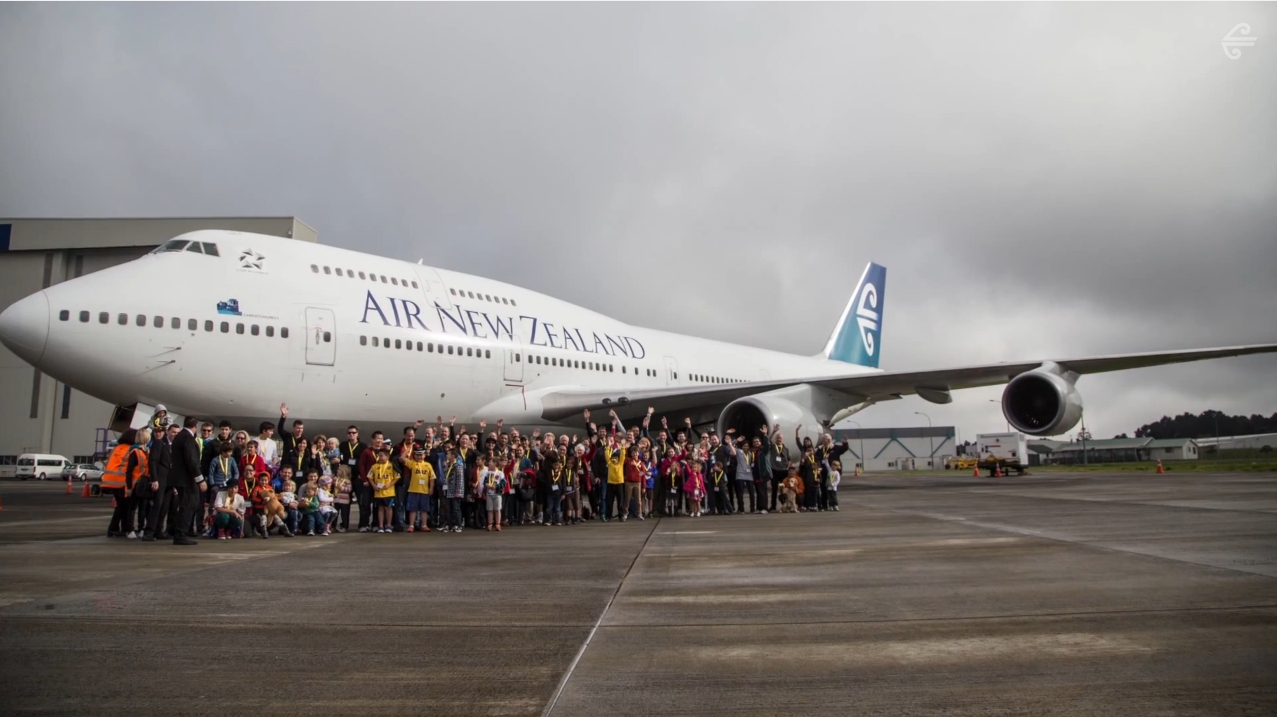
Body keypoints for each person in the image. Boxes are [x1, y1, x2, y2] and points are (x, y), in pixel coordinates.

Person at [102, 428, 150, 538]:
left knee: (122, 506)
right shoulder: (131, 449)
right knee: (124, 507)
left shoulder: (117, 448)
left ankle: (121, 528)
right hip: (121, 481)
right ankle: (114, 528)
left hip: (110, 480)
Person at [166, 416, 206, 545]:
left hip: (178, 478)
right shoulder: (188, 438)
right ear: (195, 426)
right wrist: (200, 479)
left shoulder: (180, 436)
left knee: (185, 504)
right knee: (190, 504)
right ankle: (180, 534)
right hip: (186, 479)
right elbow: (192, 461)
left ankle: (176, 530)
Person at [141, 424, 174, 540]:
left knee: (164, 507)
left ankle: (159, 530)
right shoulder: (159, 443)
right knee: (157, 505)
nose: (175, 434)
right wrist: (154, 479)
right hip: (160, 479)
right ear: (168, 432)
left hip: (170, 481)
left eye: (177, 432)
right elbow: (153, 462)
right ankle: (149, 532)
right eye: (173, 432)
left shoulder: (175, 446)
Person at [403, 446, 436, 533]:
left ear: (425, 455)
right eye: (417, 455)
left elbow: (432, 478)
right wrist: (409, 448)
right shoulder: (412, 463)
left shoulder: (428, 465)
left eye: (421, 455)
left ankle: (424, 525)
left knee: (424, 509)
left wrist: (431, 488)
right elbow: (402, 458)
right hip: (413, 490)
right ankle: (411, 525)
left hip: (424, 491)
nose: (419, 456)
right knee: (412, 509)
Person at [368, 447, 398, 534]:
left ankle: (388, 525)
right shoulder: (374, 466)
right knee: (380, 509)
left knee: (388, 508)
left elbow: (396, 477)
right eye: (379, 456)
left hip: (389, 492)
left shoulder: (392, 465)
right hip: (378, 492)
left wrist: (390, 484)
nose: (380, 457)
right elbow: (370, 477)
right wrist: (373, 486)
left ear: (387, 457)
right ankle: (380, 526)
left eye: (381, 456)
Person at [480, 455, 507, 531]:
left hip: (497, 494)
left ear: (495, 463)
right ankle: (490, 524)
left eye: (490, 462)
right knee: (490, 509)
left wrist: (497, 486)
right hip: (489, 494)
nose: (489, 463)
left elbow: (504, 483)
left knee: (497, 509)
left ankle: (498, 524)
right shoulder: (487, 473)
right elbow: (485, 481)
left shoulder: (500, 473)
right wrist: (486, 484)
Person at [332, 466, 354, 532]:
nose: (337, 471)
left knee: (344, 514)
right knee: (335, 513)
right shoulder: (336, 479)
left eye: (339, 470)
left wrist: (341, 488)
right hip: (336, 499)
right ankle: (333, 526)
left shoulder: (347, 481)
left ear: (343, 472)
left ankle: (345, 526)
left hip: (344, 500)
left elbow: (349, 489)